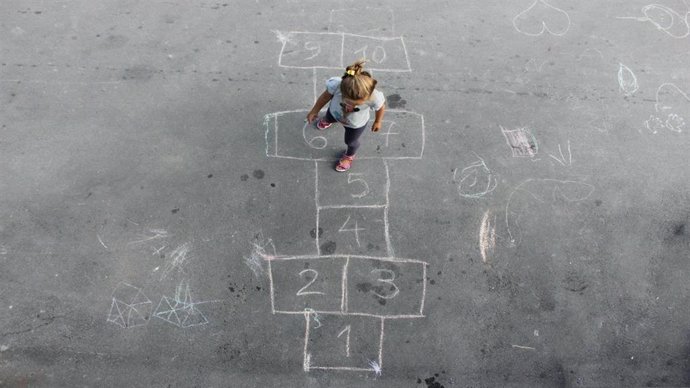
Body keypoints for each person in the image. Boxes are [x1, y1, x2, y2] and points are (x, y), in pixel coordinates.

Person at [306, 59, 386, 172]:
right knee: (329, 117)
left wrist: (378, 121)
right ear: (343, 92)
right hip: (335, 112)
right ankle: (327, 121)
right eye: (348, 101)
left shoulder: (374, 97)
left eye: (356, 103)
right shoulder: (337, 85)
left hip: (356, 124)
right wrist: (314, 111)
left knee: (351, 142)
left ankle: (349, 155)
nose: (351, 105)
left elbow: (381, 107)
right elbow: (325, 97)